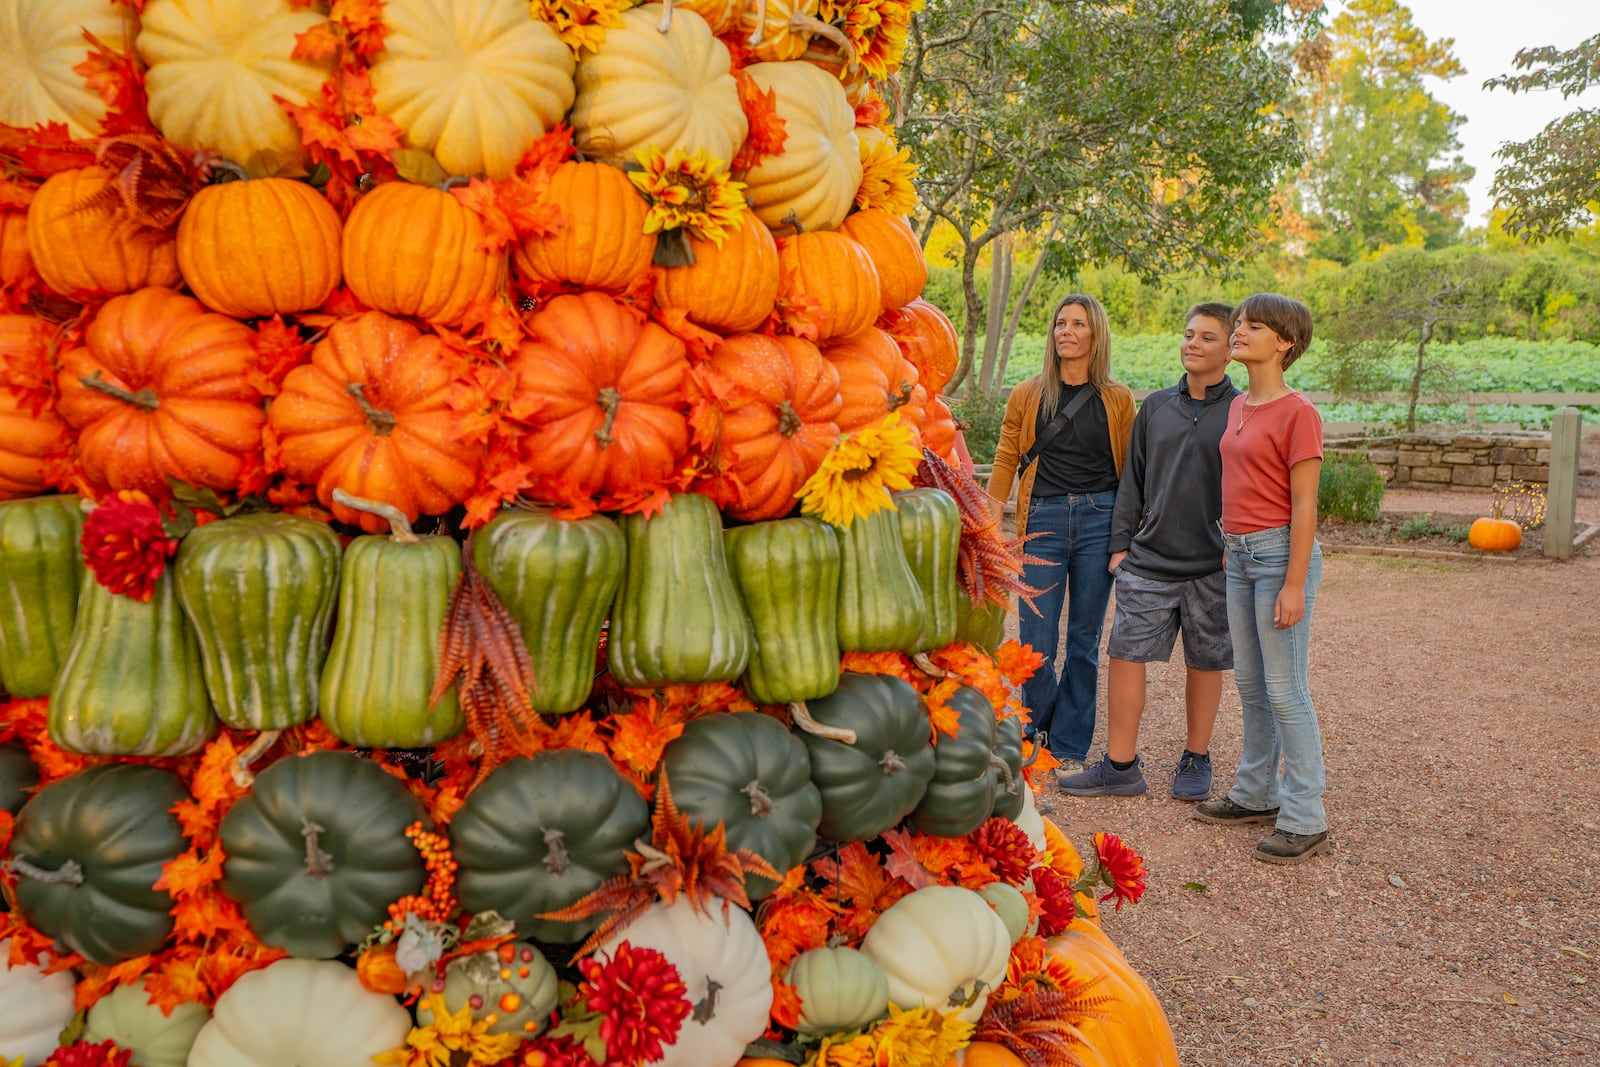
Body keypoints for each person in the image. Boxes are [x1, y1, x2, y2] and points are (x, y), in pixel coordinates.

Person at [1059, 302, 1239, 802]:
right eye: (1188, 334)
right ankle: (1120, 767)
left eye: (1206, 337)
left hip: (1212, 565)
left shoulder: (1242, 412)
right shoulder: (1156, 406)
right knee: (1124, 655)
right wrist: (1120, 546)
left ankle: (1196, 757)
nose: (1192, 344)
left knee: (1205, 664)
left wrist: (1235, 547)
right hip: (1149, 562)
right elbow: (1131, 481)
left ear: (1231, 349)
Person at [1193, 292, 1330, 865]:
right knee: (1251, 682)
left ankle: (1305, 817)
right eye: (1241, 324)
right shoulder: (1238, 406)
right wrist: (1232, 550)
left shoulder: (1300, 412)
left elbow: (1305, 507)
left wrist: (1294, 582)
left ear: (1285, 343)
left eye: (1254, 326)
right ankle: (1256, 792)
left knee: (1286, 689)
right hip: (1240, 556)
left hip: (1279, 558)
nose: (1240, 331)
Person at [987, 294, 1135, 774]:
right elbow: (1007, 458)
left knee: (1084, 639)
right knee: (1036, 641)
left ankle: (1068, 744)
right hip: (1043, 523)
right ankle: (1035, 730)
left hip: (1100, 520)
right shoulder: (1028, 394)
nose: (1065, 331)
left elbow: (1132, 471)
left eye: (1077, 323)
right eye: (1059, 323)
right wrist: (989, 525)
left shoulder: (1118, 398)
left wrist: (1125, 536)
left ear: (1096, 334)